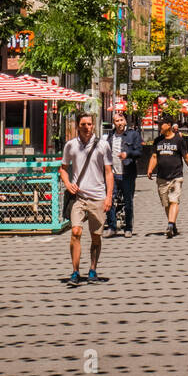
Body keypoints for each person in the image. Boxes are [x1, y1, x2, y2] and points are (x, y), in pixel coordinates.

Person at [60, 113, 114, 284]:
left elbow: (108, 172)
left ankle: (92, 270)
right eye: (83, 124)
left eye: (89, 124)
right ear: (77, 125)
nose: (87, 127)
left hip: (98, 197)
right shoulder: (71, 145)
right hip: (79, 197)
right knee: (75, 232)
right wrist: (68, 183)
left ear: (93, 125)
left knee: (95, 236)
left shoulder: (103, 145)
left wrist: (109, 197)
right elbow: (63, 168)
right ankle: (75, 271)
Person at [147, 113, 188, 238]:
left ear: (168, 125)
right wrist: (150, 169)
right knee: (166, 203)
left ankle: (170, 224)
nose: (159, 127)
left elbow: (186, 157)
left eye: (161, 124)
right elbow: (154, 156)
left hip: (176, 176)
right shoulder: (158, 141)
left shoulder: (178, 140)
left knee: (174, 200)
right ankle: (173, 224)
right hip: (162, 177)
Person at [105, 112, 141, 237]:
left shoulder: (133, 135)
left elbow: (139, 152)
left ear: (125, 121)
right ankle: (112, 226)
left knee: (128, 201)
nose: (119, 123)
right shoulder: (110, 136)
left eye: (121, 120)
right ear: (113, 123)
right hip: (112, 174)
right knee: (110, 199)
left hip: (127, 173)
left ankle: (128, 228)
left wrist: (128, 154)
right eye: (116, 121)